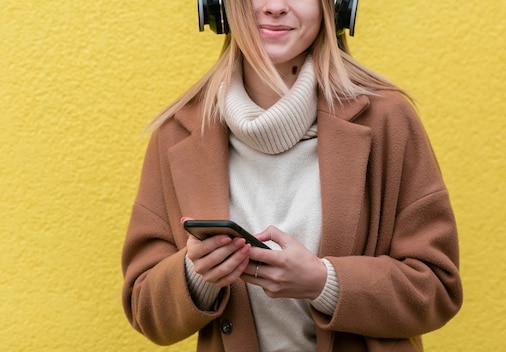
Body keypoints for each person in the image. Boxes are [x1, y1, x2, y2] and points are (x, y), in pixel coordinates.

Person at [121, 0, 463, 350]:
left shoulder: (389, 121)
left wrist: (324, 282)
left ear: (336, 6)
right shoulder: (177, 133)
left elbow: (437, 288)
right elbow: (144, 308)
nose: (274, 7)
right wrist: (197, 275)